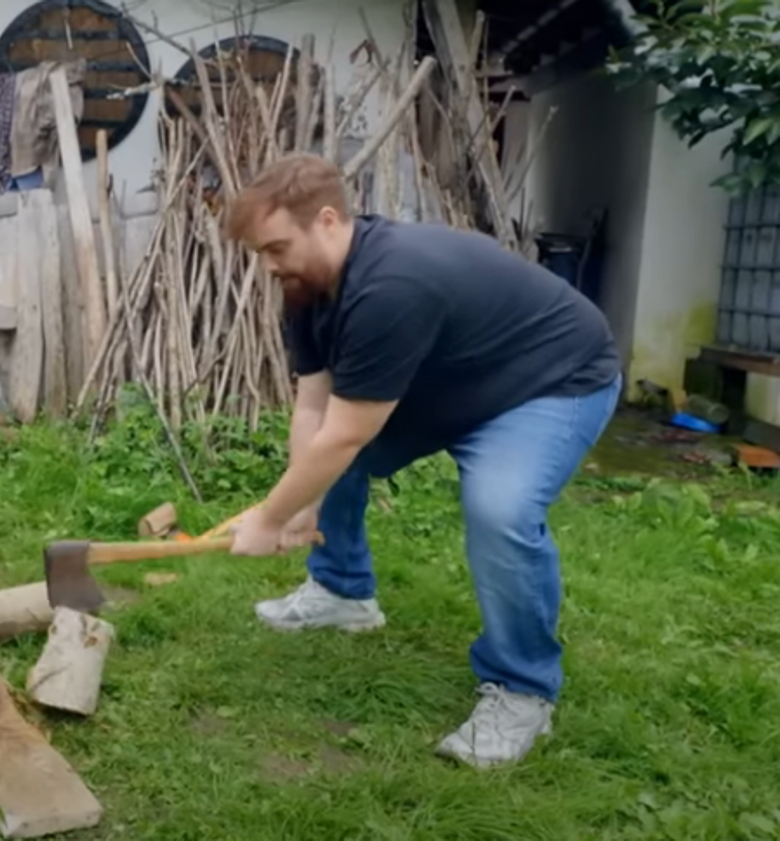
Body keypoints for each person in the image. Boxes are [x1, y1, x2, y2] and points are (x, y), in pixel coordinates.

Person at [224, 154, 622, 769]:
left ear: (328, 220)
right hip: (456, 380)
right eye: (262, 254)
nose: (270, 265)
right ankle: (341, 590)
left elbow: (343, 438)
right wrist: (300, 505)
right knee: (332, 448)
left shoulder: (391, 287)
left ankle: (522, 690)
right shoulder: (306, 288)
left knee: (499, 508)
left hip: (549, 379)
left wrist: (270, 519)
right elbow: (313, 411)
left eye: (276, 247)